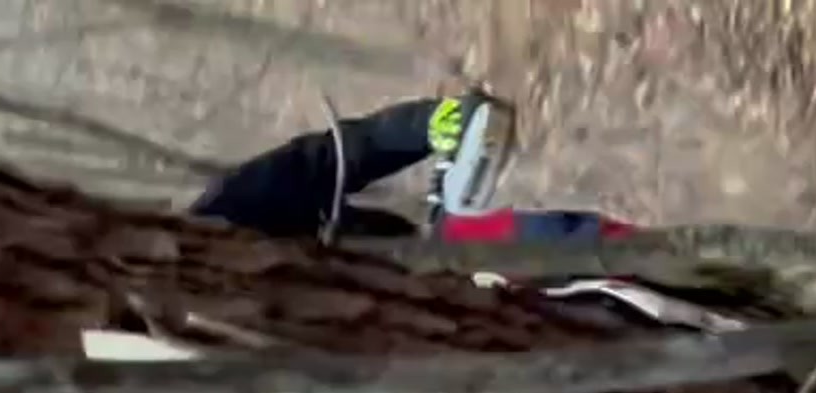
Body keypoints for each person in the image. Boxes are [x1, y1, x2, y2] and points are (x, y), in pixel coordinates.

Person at [186, 92, 635, 248]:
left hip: (424, 267)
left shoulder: (215, 220)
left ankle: (657, 261)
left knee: (527, 238)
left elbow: (331, 157)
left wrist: (423, 126)